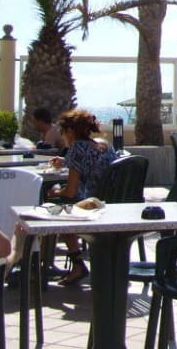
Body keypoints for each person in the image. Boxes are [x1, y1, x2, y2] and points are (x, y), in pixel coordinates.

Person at [46, 109, 118, 286]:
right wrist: (66, 162)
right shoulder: (105, 145)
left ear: (70, 131)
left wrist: (54, 192)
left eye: (63, 133)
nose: (63, 137)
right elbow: (94, 163)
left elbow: (70, 192)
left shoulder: (77, 147)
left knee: (56, 208)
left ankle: (72, 264)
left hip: (90, 205)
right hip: (111, 202)